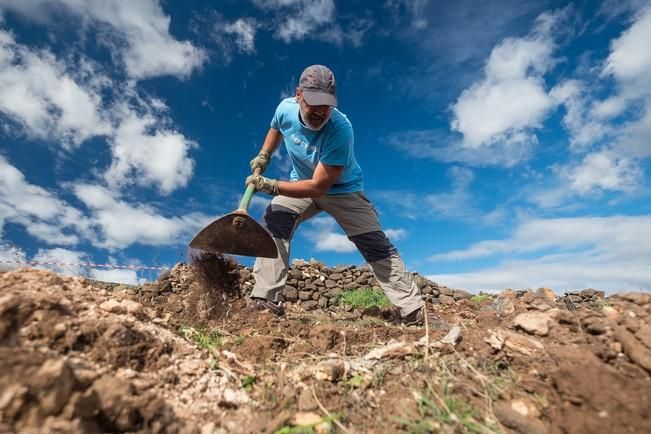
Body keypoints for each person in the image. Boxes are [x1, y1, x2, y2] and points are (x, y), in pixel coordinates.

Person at [245, 64, 427, 325]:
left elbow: (319, 187)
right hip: (301, 185)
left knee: (374, 243)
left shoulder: (341, 130)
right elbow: (275, 128)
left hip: (343, 190)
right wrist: (264, 155)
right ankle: (264, 299)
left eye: (326, 105)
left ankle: (413, 311)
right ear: (298, 95)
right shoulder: (284, 109)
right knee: (275, 218)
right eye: (313, 104)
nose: (320, 112)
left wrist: (270, 185)